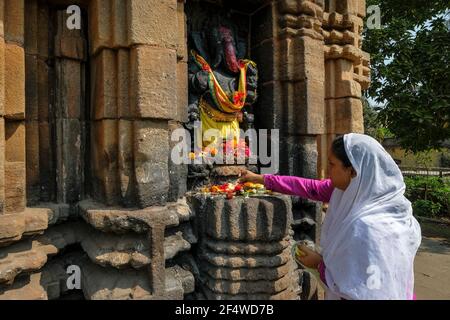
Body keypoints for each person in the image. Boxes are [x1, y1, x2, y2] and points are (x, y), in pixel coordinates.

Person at [239, 133, 422, 300]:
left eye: (332, 165)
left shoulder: (368, 228)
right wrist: (260, 179)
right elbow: (309, 187)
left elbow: (364, 289)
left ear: (353, 171)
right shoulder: (353, 190)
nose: (327, 171)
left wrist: (319, 264)